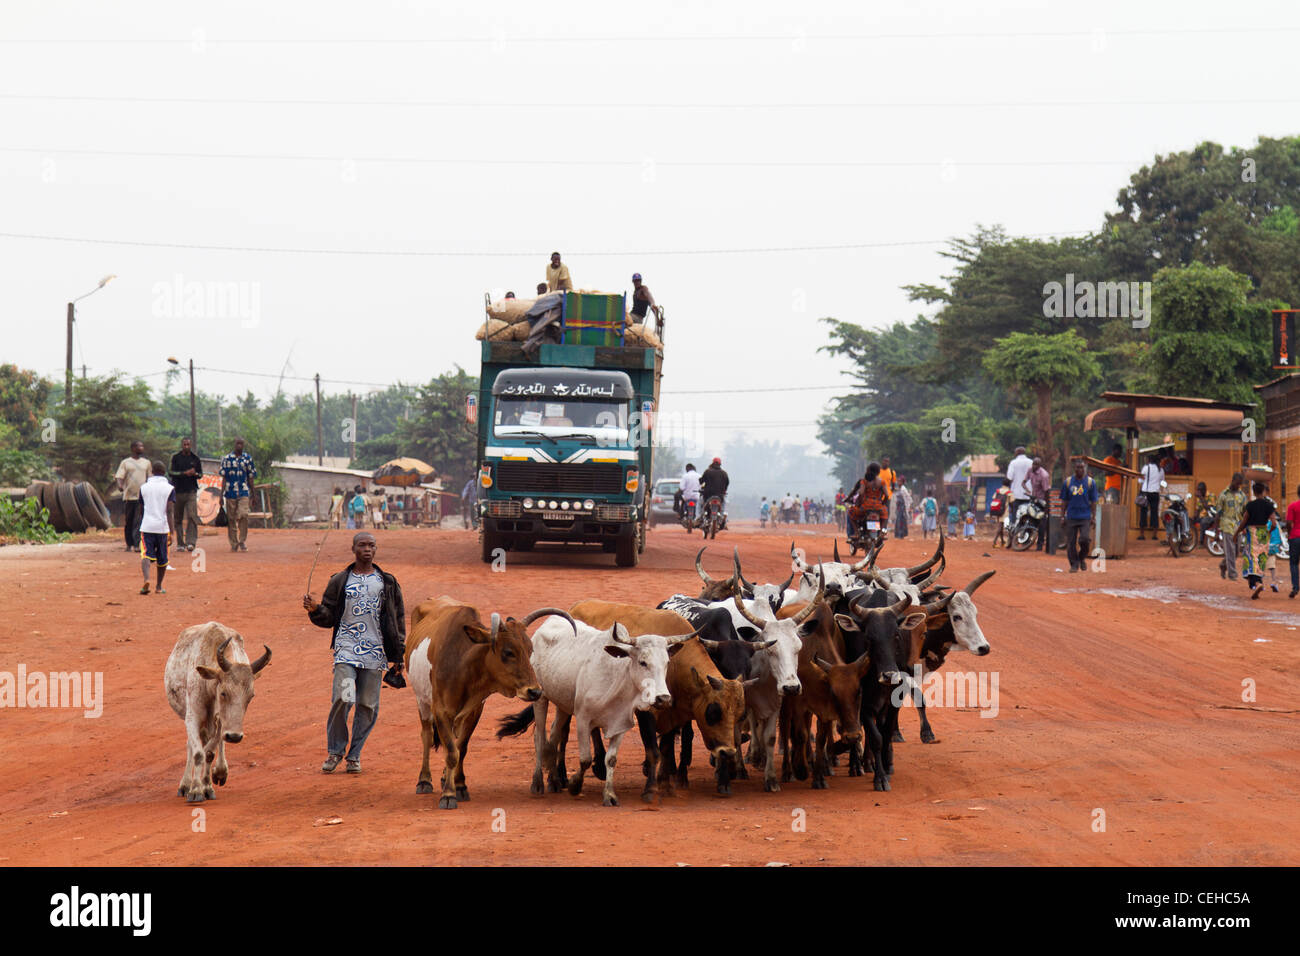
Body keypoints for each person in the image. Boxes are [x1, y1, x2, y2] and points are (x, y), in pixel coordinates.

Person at [303, 532, 406, 774]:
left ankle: (354, 755)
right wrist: (316, 608)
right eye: (362, 545)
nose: (367, 549)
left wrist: (399, 655)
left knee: (368, 706)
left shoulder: (388, 582)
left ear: (376, 549)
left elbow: (397, 619)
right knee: (344, 697)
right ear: (353, 549)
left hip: (375, 653)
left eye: (371, 545)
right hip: (346, 650)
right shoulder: (340, 580)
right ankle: (335, 751)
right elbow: (328, 617)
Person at [137, 460, 176, 595]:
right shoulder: (169, 488)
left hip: (147, 526)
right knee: (163, 558)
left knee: (146, 555)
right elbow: (170, 511)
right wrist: (172, 531)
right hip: (162, 527)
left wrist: (144, 521)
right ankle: (159, 586)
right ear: (164, 472)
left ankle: (147, 579)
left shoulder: (144, 487)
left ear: (152, 472)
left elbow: (141, 509)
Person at [1235, 482, 1277, 599]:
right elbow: (1273, 523)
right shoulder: (1269, 505)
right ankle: (1257, 582)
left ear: (1253, 492)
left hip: (1252, 533)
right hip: (1263, 533)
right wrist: (1268, 532)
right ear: (1263, 491)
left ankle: (1256, 583)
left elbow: (1244, 521)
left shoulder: (1250, 505)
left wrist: (1236, 533)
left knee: (1251, 558)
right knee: (1261, 559)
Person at [219, 437, 257, 552]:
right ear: (234, 444)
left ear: (243, 445)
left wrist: (253, 494)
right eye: (237, 443)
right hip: (230, 492)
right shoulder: (227, 459)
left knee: (244, 514)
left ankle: (242, 541)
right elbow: (224, 478)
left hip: (244, 491)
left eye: (241, 444)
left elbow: (251, 478)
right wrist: (221, 495)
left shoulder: (247, 459)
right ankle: (233, 543)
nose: (239, 446)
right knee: (231, 519)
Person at [1060, 458, 1098, 573]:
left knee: (1085, 539)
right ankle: (1074, 564)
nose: (1080, 470)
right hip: (1071, 516)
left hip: (1085, 517)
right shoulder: (1068, 482)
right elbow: (1064, 501)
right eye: (1078, 467)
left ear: (1085, 469)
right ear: (1074, 468)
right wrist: (1062, 516)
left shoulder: (1091, 483)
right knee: (1071, 543)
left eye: (1082, 467)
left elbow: (1093, 501)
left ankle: (1081, 558)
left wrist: (1093, 517)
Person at [114, 440, 150, 551]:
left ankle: (136, 544)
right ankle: (129, 543)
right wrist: (120, 485)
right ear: (133, 448)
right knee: (129, 521)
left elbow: (149, 477)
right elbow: (119, 476)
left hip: (141, 497)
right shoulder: (126, 462)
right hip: (129, 496)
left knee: (138, 520)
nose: (142, 448)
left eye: (142, 446)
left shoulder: (146, 463)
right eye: (139, 446)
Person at [168, 437, 202, 552]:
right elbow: (171, 472)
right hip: (178, 491)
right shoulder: (176, 458)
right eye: (184, 444)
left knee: (192, 516)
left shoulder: (195, 458)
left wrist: (195, 473)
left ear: (191, 445)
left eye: (188, 444)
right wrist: (184, 473)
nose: (186, 446)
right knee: (178, 518)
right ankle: (180, 543)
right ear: (182, 445)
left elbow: (201, 474)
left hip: (191, 491)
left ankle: (191, 542)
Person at [1211, 473, 1247, 581]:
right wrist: (1216, 531)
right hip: (1226, 526)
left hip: (1238, 526)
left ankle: (1223, 565)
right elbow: (1218, 514)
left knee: (1235, 552)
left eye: (1240, 484)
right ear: (1233, 481)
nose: (1238, 486)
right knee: (1230, 551)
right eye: (1237, 483)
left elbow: (1245, 512)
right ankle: (1232, 574)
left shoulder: (1242, 496)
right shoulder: (1223, 495)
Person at [847, 463, 889, 540]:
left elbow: (861, 493)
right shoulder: (882, 482)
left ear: (868, 470)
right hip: (878, 507)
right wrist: (882, 503)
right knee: (885, 515)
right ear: (879, 471)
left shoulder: (864, 481)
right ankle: (882, 532)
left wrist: (859, 502)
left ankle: (856, 533)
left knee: (851, 512)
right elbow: (887, 495)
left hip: (866, 506)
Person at [1023, 456, 1052, 552]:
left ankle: (1040, 545)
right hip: (1033, 498)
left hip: (1042, 500)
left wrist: (1047, 506)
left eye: (1036, 464)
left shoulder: (1044, 475)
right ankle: (1025, 541)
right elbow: (1023, 482)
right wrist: (1027, 490)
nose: (1034, 466)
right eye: (1033, 464)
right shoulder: (1030, 470)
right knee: (1029, 518)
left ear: (1039, 465)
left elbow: (1047, 491)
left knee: (1041, 523)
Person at [1137, 453, 1164, 540]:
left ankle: (1142, 534)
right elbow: (1162, 481)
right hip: (1155, 492)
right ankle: (1154, 535)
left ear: (1149, 460)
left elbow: (1140, 480)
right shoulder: (1160, 469)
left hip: (1146, 492)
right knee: (1154, 512)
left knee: (1143, 513)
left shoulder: (1145, 468)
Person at [1005, 446, 1033, 529]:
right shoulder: (1031, 462)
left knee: (1014, 515)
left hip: (1016, 495)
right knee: (1028, 515)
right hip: (1029, 494)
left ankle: (1014, 533)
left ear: (1017, 453)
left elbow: (1009, 477)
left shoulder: (1013, 463)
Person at [699, 458, 730, 526]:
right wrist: (724, 490)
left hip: (708, 495)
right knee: (723, 504)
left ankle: (700, 517)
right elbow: (727, 483)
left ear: (712, 463)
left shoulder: (707, 471)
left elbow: (701, 481)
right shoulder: (724, 473)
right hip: (720, 496)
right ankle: (722, 518)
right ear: (720, 464)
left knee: (701, 503)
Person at [1286, 484, 1300, 599]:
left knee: (1294, 563)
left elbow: (1289, 522)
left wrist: (1289, 534)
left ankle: (1295, 587)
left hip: (1295, 537)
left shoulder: (1292, 506)